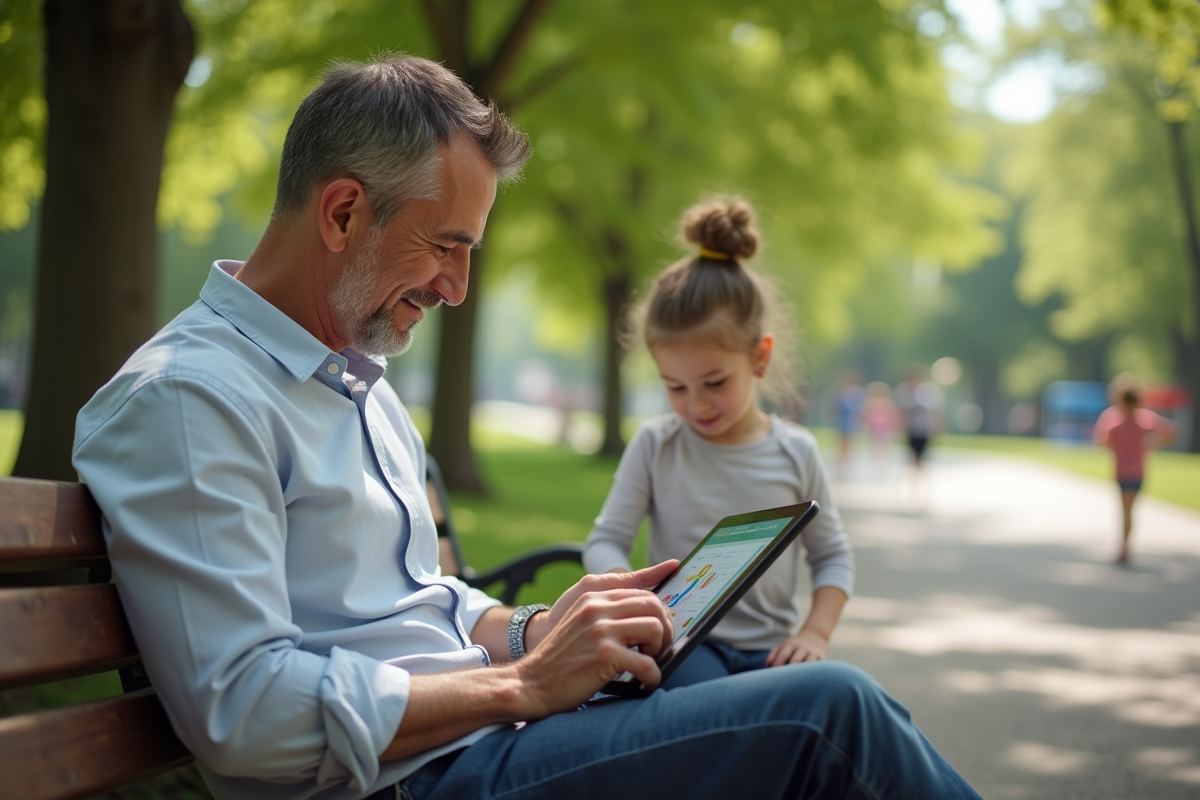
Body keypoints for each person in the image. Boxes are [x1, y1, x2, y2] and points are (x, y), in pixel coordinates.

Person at [73, 56, 981, 800]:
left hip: (476, 745)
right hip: (416, 779)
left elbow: (415, 599)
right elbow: (246, 713)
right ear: (345, 211)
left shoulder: (355, 386)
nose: (457, 289)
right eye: (448, 246)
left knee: (815, 711)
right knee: (824, 716)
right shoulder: (190, 401)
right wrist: (519, 687)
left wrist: (538, 630)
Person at [583, 198, 854, 689]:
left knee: (836, 697)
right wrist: (631, 597)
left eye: (714, 382)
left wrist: (814, 634)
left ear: (760, 357)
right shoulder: (656, 444)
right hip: (684, 646)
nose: (695, 405)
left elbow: (832, 555)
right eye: (675, 386)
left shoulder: (797, 452)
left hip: (770, 653)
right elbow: (606, 539)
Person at [1093, 377, 1178, 564]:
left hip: (1123, 472)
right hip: (1137, 472)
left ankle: (1124, 548)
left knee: (1126, 511)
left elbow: (1101, 441)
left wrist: (1118, 446)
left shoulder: (1113, 418)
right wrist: (1153, 444)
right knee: (1129, 511)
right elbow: (1171, 430)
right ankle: (1125, 547)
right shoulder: (1144, 419)